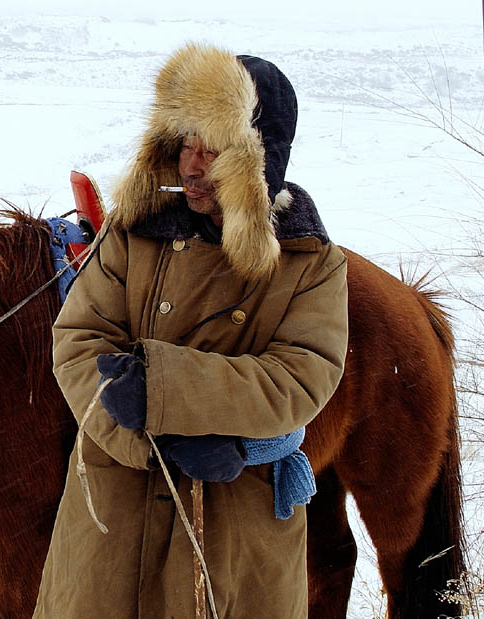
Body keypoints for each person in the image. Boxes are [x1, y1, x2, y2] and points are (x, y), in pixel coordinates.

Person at [33, 44, 348, 618]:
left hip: (239, 521)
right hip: (115, 509)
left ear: (259, 160)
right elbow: (78, 343)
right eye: (186, 142)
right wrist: (153, 444)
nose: (193, 165)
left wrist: (174, 399)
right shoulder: (134, 235)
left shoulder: (310, 261)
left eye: (215, 148)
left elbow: (302, 376)